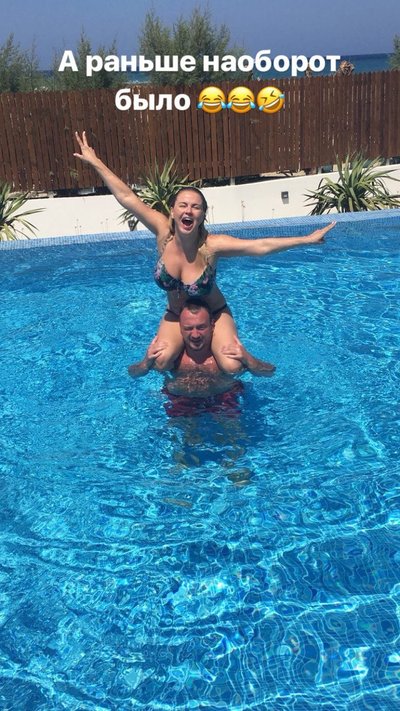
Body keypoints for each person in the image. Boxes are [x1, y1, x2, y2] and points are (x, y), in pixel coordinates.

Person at [74, 131, 335, 373]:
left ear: (203, 215)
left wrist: (306, 239)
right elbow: (128, 198)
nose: (188, 211)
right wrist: (95, 162)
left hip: (214, 313)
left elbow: (259, 246)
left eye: (196, 207)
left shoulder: (211, 246)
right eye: (183, 205)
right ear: (173, 211)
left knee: (232, 365)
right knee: (161, 362)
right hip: (177, 314)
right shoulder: (162, 231)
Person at [128, 298, 275, 414]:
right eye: (188, 328)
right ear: (180, 328)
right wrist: (145, 363)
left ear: (212, 325)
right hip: (181, 400)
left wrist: (249, 359)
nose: (195, 335)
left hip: (224, 398)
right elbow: (132, 373)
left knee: (235, 438)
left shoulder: (225, 358)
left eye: (201, 327)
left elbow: (270, 372)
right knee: (180, 441)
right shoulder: (173, 359)